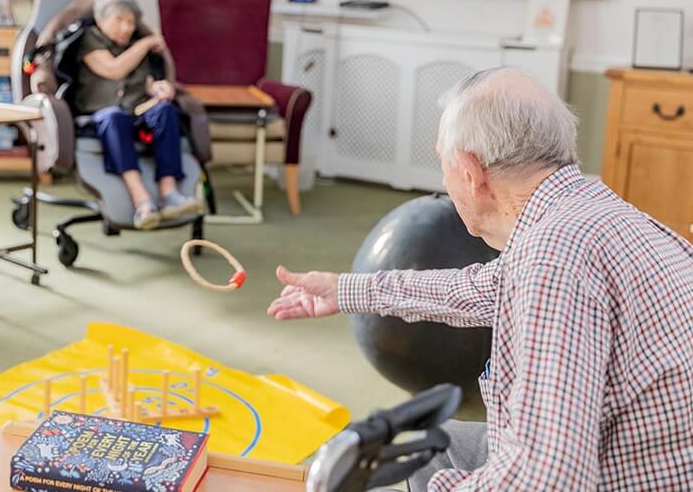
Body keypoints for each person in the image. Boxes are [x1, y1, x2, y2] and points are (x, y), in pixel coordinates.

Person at [268, 68, 693, 490]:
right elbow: (474, 291)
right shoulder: (592, 213)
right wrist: (344, 290)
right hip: (625, 453)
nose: (445, 182)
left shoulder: (552, 260)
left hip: (614, 476)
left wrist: (446, 488)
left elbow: (548, 479)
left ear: (470, 171)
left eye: (444, 164)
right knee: (433, 447)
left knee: (432, 472)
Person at [74, 0, 200, 230]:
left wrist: (161, 89)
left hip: (137, 112)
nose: (126, 28)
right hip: (102, 115)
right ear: (101, 20)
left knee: (165, 110)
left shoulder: (136, 45)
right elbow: (114, 70)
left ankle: (169, 192)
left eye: (131, 22)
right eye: (119, 20)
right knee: (113, 117)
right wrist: (148, 42)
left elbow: (149, 83)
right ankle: (141, 200)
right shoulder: (90, 39)